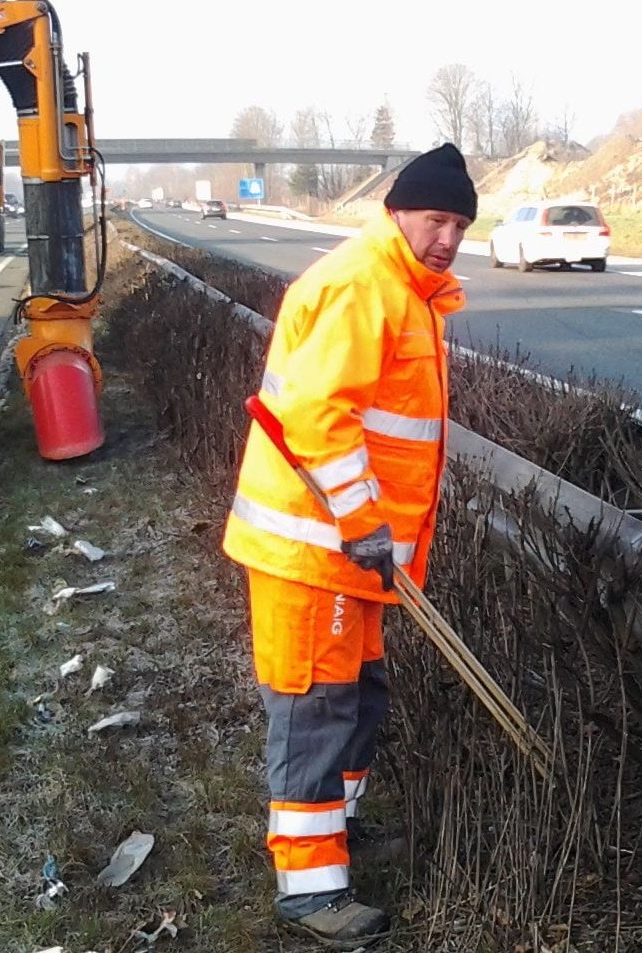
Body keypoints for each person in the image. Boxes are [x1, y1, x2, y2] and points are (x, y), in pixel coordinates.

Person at [221, 143, 476, 948]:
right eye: (435, 219)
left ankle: (338, 832)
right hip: (315, 549)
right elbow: (316, 415)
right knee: (315, 711)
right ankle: (309, 889)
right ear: (397, 213)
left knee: (358, 698)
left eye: (460, 224)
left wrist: (374, 535)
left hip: (351, 552)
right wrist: (364, 520)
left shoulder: (405, 291)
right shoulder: (365, 285)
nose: (447, 237)